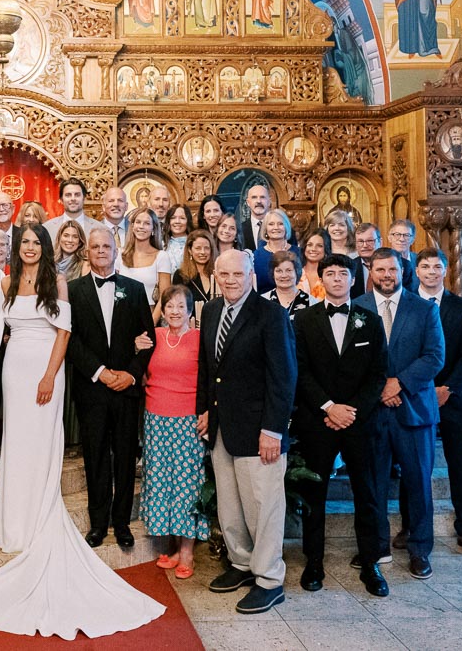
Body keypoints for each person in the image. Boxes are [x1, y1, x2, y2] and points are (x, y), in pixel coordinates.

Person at [0, 224, 166, 639]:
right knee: (16, 443)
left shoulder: (59, 282)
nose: (31, 247)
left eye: (37, 242)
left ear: (46, 248)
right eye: (26, 242)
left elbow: (66, 332)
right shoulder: (5, 281)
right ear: (19, 248)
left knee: (47, 444)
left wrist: (50, 376)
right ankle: (14, 522)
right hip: (15, 369)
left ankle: (47, 514)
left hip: (46, 371)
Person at [199, 249, 296, 614]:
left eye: (237, 275)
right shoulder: (210, 311)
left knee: (263, 506)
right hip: (223, 426)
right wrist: (205, 409)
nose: (230, 281)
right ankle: (241, 563)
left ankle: (269, 578)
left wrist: (273, 429)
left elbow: (284, 377)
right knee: (230, 504)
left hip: (260, 430)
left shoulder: (271, 315)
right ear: (215, 276)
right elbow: (208, 369)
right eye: (223, 275)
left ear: (251, 276)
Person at [291, 253, 390, 597]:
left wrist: (351, 411)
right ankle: (313, 561)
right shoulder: (302, 321)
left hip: (360, 422)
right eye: (329, 273)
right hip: (318, 420)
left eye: (342, 274)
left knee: (368, 492)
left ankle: (371, 561)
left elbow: (379, 374)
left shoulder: (371, 321)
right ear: (321, 281)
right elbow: (299, 371)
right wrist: (330, 407)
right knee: (314, 495)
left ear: (352, 280)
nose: (336, 279)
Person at [352, 248, 445, 580]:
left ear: (402, 271)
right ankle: (374, 548)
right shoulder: (357, 308)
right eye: (379, 270)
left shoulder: (423, 309)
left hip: (415, 410)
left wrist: (399, 384)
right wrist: (380, 388)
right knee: (372, 483)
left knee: (418, 482)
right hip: (374, 411)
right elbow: (350, 360)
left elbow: (434, 357)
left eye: (391, 269)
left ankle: (420, 549)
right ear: (371, 272)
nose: (386, 276)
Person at [66, 226, 156, 549]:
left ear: (116, 252)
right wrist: (101, 372)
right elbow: (70, 340)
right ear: (87, 252)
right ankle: (98, 523)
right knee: (95, 457)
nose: (101, 251)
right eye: (95, 246)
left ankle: (122, 524)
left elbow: (149, 339)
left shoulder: (133, 290)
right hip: (92, 389)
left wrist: (131, 375)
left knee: (125, 457)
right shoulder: (73, 290)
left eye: (107, 246)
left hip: (127, 390)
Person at [414, 249, 462, 559]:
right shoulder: (407, 305)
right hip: (416, 395)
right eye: (425, 266)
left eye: (437, 267)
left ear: (444, 271)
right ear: (416, 271)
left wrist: (447, 388)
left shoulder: (461, 307)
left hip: (453, 396)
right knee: (415, 466)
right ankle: (411, 527)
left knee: (459, 464)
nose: (431, 272)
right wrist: (423, 387)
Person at [142, 285, 208, 579]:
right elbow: (140, 369)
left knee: (186, 484)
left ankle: (187, 551)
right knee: (160, 481)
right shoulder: (153, 337)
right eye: (169, 306)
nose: (175, 311)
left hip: (187, 420)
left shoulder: (198, 339)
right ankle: (167, 544)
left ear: (190, 310)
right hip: (156, 418)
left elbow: (209, 380)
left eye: (181, 306)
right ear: (162, 310)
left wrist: (206, 412)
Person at [118, 208, 172, 322]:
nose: (141, 226)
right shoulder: (119, 254)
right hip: (121, 317)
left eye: (147, 223)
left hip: (148, 316)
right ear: (132, 226)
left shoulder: (161, 256)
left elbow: (165, 295)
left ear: (153, 228)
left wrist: (151, 323)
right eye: (138, 222)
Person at [252, 209, 298, 295]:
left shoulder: (299, 253)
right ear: (265, 229)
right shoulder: (256, 256)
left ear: (286, 227)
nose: (276, 227)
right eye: (271, 224)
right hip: (264, 305)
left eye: (280, 224)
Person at [172, 229, 217, 305]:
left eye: (206, 248)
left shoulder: (218, 274)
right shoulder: (180, 275)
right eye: (198, 248)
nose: (202, 252)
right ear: (190, 250)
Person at [264, 250, 311, 318]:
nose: (284, 275)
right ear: (273, 274)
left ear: (297, 272)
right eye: (279, 271)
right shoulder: (263, 300)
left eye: (288, 270)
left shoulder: (312, 302)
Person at [350, 223, 380, 298]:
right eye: (360, 241)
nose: (365, 245)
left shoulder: (393, 265)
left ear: (380, 242)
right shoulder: (349, 267)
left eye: (369, 241)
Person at [388, 219, 418, 294]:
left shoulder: (419, 260)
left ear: (413, 239)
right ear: (389, 238)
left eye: (406, 235)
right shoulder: (382, 261)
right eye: (397, 235)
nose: (401, 239)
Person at [299, 230, 329, 302]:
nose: (313, 249)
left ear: (326, 250)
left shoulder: (330, 276)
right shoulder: (294, 274)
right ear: (304, 248)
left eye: (319, 246)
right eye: (310, 245)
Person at [240, 184, 271, 252]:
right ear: (248, 202)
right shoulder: (239, 230)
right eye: (254, 197)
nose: (259, 201)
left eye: (262, 197)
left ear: (269, 202)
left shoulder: (280, 228)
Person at [162, 203, 193, 271]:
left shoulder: (194, 243)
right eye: (173, 218)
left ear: (188, 221)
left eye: (182, 218)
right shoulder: (161, 244)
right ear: (168, 221)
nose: (177, 221)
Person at [101, 186, 130, 252]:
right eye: (111, 201)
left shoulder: (135, 229)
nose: (116, 204)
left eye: (120, 200)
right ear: (103, 207)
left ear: (126, 206)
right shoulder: (93, 229)